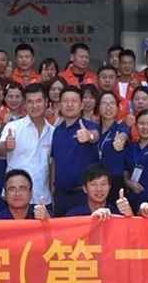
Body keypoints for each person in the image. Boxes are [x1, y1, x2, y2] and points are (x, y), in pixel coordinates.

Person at [0, 84, 54, 209]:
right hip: (15, 198)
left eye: (38, 101)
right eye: (30, 102)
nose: (34, 106)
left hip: (42, 197)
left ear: (46, 102)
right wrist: (6, 146)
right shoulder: (13, 127)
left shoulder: (53, 132)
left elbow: (52, 166)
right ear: (24, 104)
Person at [50, 86, 100, 216]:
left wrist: (89, 136)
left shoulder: (89, 126)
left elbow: (95, 135)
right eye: (65, 101)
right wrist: (52, 189)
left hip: (83, 195)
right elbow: (54, 162)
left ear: (81, 105)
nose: (69, 105)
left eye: (74, 101)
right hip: (60, 195)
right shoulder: (57, 131)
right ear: (60, 105)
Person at [66, 164, 132, 217]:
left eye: (103, 184)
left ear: (109, 187)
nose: (99, 189)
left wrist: (129, 215)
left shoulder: (117, 214)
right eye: (93, 184)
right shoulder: (73, 215)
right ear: (85, 188)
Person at [96, 91, 129, 195]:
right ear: (98, 107)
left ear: (118, 107)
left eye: (112, 103)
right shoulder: (94, 129)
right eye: (104, 103)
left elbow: (123, 136)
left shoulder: (122, 128)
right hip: (96, 180)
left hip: (115, 181)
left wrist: (120, 141)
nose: (108, 107)